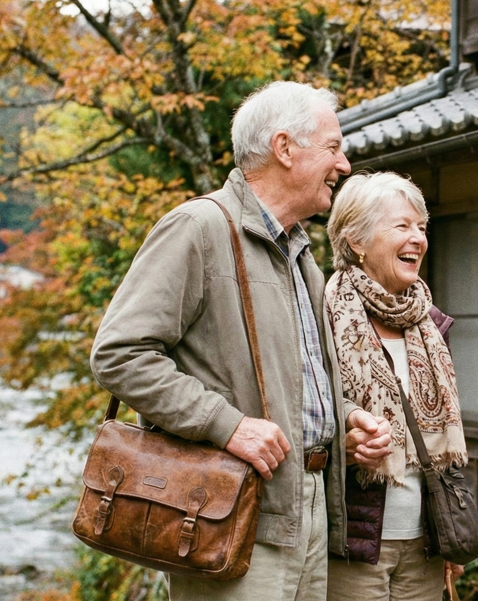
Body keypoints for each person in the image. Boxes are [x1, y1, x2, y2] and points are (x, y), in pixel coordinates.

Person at [90, 81, 387, 601]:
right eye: (334, 148)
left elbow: (287, 380)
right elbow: (119, 354)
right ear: (284, 148)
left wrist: (344, 425)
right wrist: (226, 426)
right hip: (229, 511)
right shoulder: (198, 227)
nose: (343, 166)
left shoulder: (301, 252)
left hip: (307, 509)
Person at [323, 171, 469, 601]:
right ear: (357, 241)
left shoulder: (429, 323)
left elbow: (446, 435)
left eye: (421, 228)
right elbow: (297, 410)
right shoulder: (322, 315)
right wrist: (343, 439)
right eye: (402, 226)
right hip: (353, 542)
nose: (417, 239)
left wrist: (450, 535)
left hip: (423, 542)